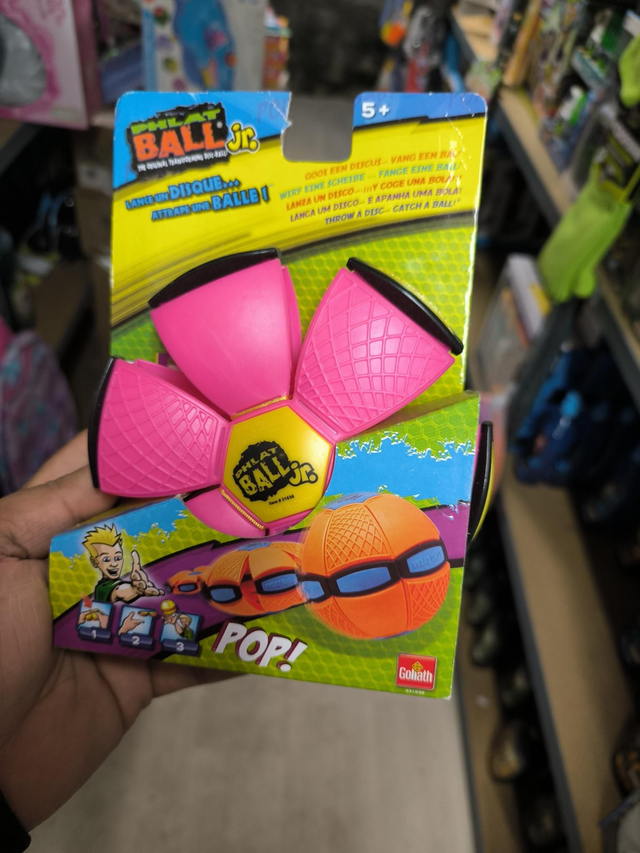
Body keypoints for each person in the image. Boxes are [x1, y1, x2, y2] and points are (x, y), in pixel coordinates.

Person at [0, 432, 232, 852]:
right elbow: (121, 592)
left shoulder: (130, 576)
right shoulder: (104, 586)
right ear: (95, 561)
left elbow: (143, 590)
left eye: (114, 558)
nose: (110, 563)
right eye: (104, 559)